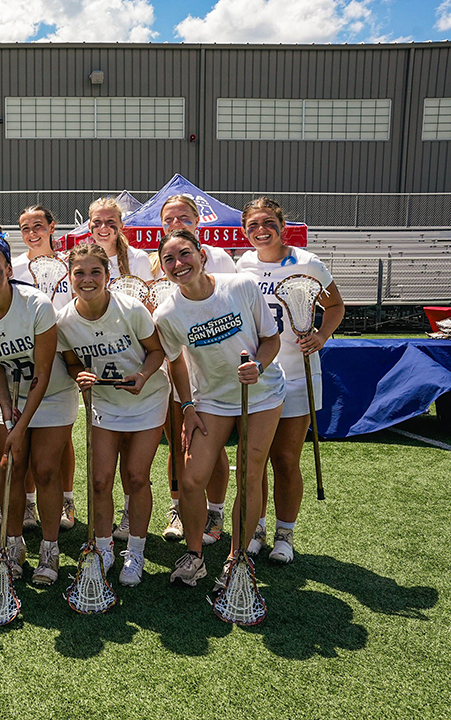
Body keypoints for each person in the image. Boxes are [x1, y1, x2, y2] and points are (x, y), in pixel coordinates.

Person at [152, 229, 285, 587]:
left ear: (202, 255)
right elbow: (175, 361)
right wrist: (189, 405)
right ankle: (195, 556)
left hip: (261, 394)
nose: (178, 264)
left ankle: (236, 558)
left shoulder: (241, 286)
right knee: (193, 478)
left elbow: (271, 338)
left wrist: (258, 366)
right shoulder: (167, 313)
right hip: (212, 398)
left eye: (185, 254)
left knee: (249, 472)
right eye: (169, 259)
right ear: (162, 268)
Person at [0, 228, 78, 585]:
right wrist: (8, 408)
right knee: (11, 467)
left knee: (44, 470)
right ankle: (13, 546)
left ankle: (50, 548)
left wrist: (19, 425)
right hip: (12, 397)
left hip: (53, 393)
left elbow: (43, 374)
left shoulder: (36, 305)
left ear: (9, 269)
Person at [236, 197, 344, 563]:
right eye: (252, 225)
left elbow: (336, 306)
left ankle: (285, 533)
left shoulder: (307, 262)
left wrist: (322, 335)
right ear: (244, 230)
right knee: (256, 459)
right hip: (260, 376)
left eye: (267, 222)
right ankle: (257, 527)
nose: (260, 230)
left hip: (297, 373)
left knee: (285, 458)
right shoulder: (243, 264)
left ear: (282, 225)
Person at [56, 243, 170, 587]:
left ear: (108, 276)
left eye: (95, 272)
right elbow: (72, 360)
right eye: (80, 273)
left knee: (136, 477)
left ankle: (135, 552)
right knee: (101, 479)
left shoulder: (130, 308)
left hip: (146, 400)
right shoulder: (64, 320)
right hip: (104, 404)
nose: (87, 279)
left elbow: (156, 352)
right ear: (70, 277)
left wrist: (144, 376)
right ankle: (103, 548)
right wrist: (80, 375)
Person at [155, 194, 237, 546]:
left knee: (212, 445)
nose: (177, 224)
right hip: (173, 366)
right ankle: (179, 508)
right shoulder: (152, 261)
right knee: (178, 443)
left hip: (212, 371)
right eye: (170, 220)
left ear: (198, 220)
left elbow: (229, 307)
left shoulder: (218, 257)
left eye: (184, 218)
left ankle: (215, 510)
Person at [12, 205, 77, 533]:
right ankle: (28, 503)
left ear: (53, 227)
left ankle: (66, 497)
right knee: (20, 442)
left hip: (64, 360)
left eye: (38, 225)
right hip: (25, 362)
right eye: (25, 227)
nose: (32, 232)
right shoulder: (15, 269)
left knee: (61, 439)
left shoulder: (69, 266)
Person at [86, 197, 153, 282]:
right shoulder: (83, 261)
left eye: (110, 221)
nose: (103, 227)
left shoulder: (138, 259)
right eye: (97, 221)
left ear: (121, 226)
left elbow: (149, 294)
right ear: (89, 226)